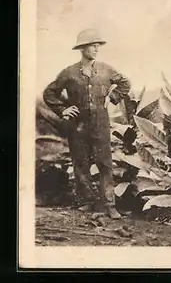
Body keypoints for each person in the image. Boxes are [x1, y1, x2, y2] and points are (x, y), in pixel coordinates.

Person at [43, 28, 131, 219]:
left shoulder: (107, 70)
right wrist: (64, 109)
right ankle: (87, 202)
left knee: (105, 163)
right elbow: (50, 93)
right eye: (93, 45)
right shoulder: (69, 73)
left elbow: (125, 83)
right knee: (81, 162)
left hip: (100, 123)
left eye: (98, 45)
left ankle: (109, 204)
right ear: (82, 48)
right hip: (78, 125)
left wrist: (113, 97)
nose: (96, 49)